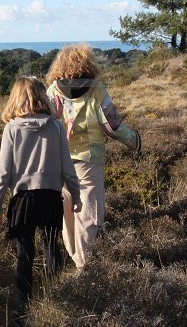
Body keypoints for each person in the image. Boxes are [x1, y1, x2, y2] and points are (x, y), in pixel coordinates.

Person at [0, 76, 82, 321]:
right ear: (43, 96)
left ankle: (23, 307)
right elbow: (67, 168)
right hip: (50, 197)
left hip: (22, 200)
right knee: (53, 248)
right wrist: (76, 195)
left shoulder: (11, 129)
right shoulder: (55, 127)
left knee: (25, 254)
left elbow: (4, 171)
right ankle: (57, 299)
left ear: (16, 98)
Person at [46, 44, 141, 271]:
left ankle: (76, 258)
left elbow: (47, 125)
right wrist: (134, 140)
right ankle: (84, 265)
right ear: (87, 63)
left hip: (59, 160)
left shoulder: (52, 91)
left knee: (66, 211)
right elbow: (112, 125)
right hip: (89, 159)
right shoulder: (97, 89)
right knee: (88, 211)